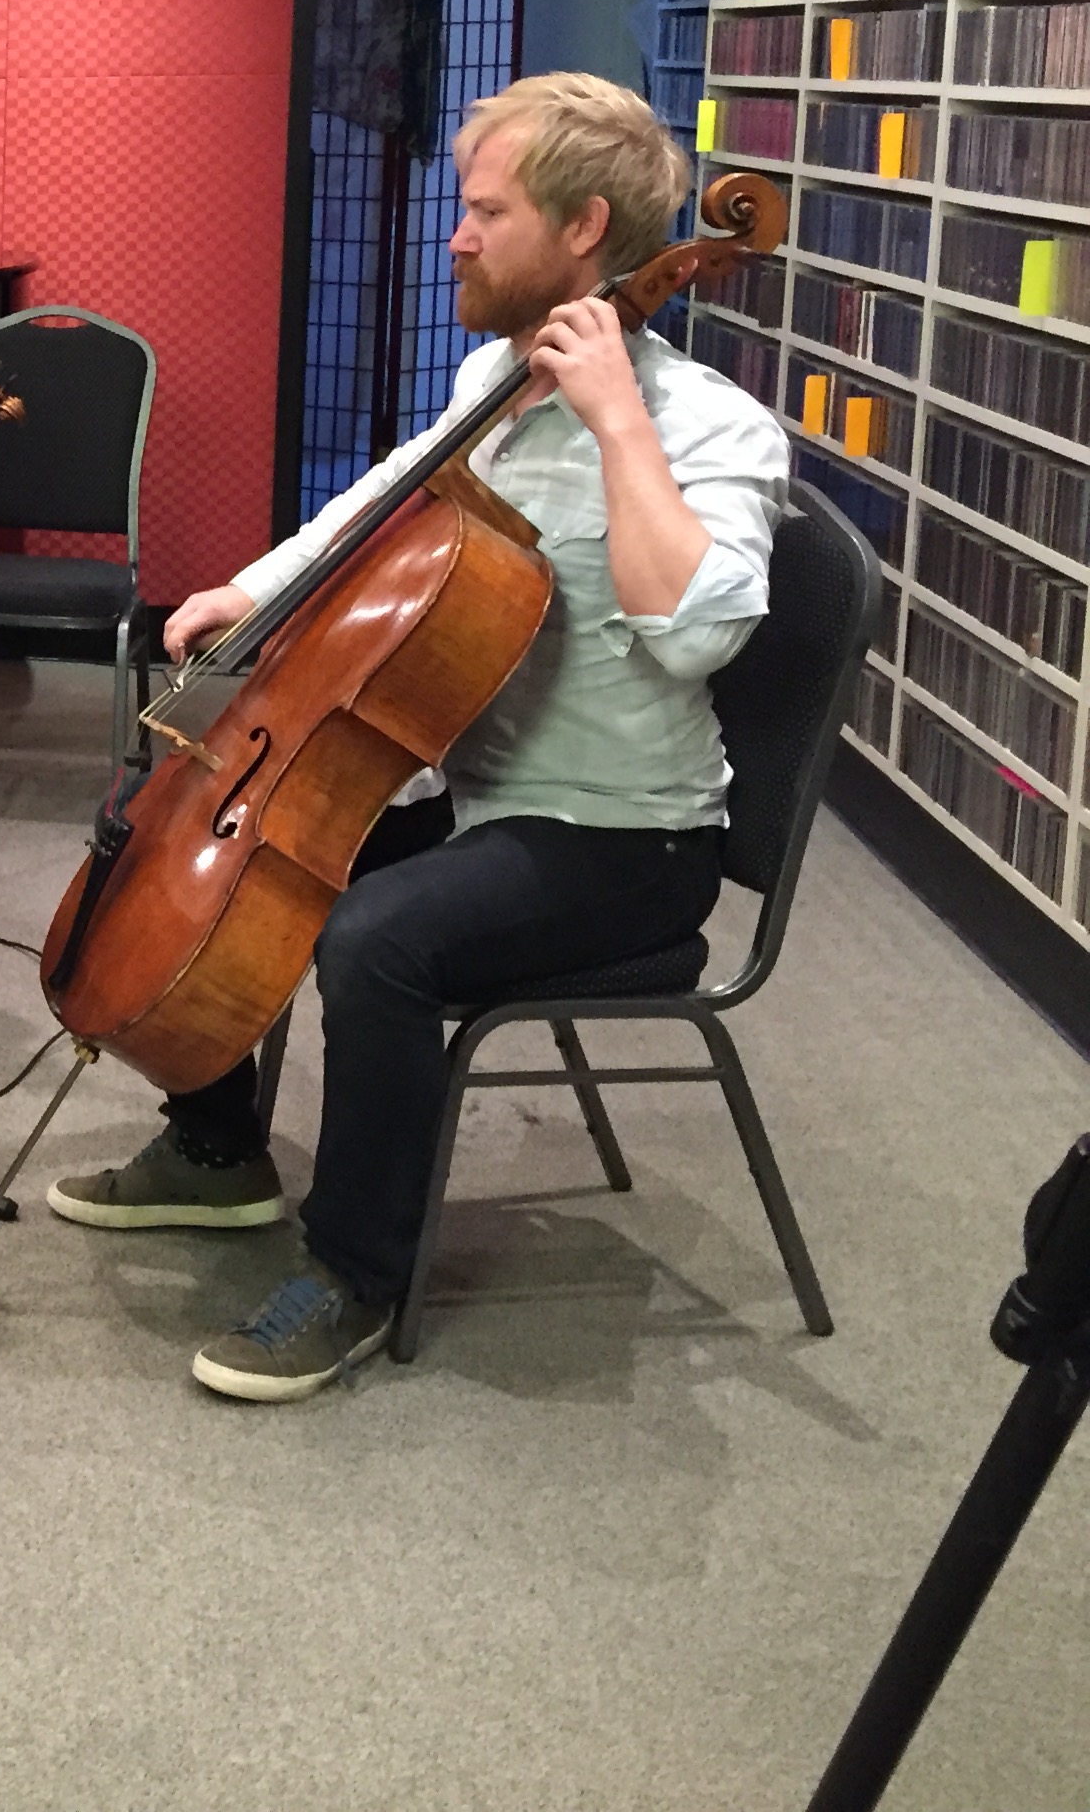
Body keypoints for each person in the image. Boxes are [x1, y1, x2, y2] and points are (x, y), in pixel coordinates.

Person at [46, 72, 789, 1403]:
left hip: (627, 840)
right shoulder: (496, 383)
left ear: (584, 229)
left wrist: (620, 424)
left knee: (377, 938)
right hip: (488, 800)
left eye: (486, 211)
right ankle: (216, 1152)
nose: (457, 235)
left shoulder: (712, 428)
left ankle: (356, 1270)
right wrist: (257, 589)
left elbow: (694, 634)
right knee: (254, 851)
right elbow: (382, 502)